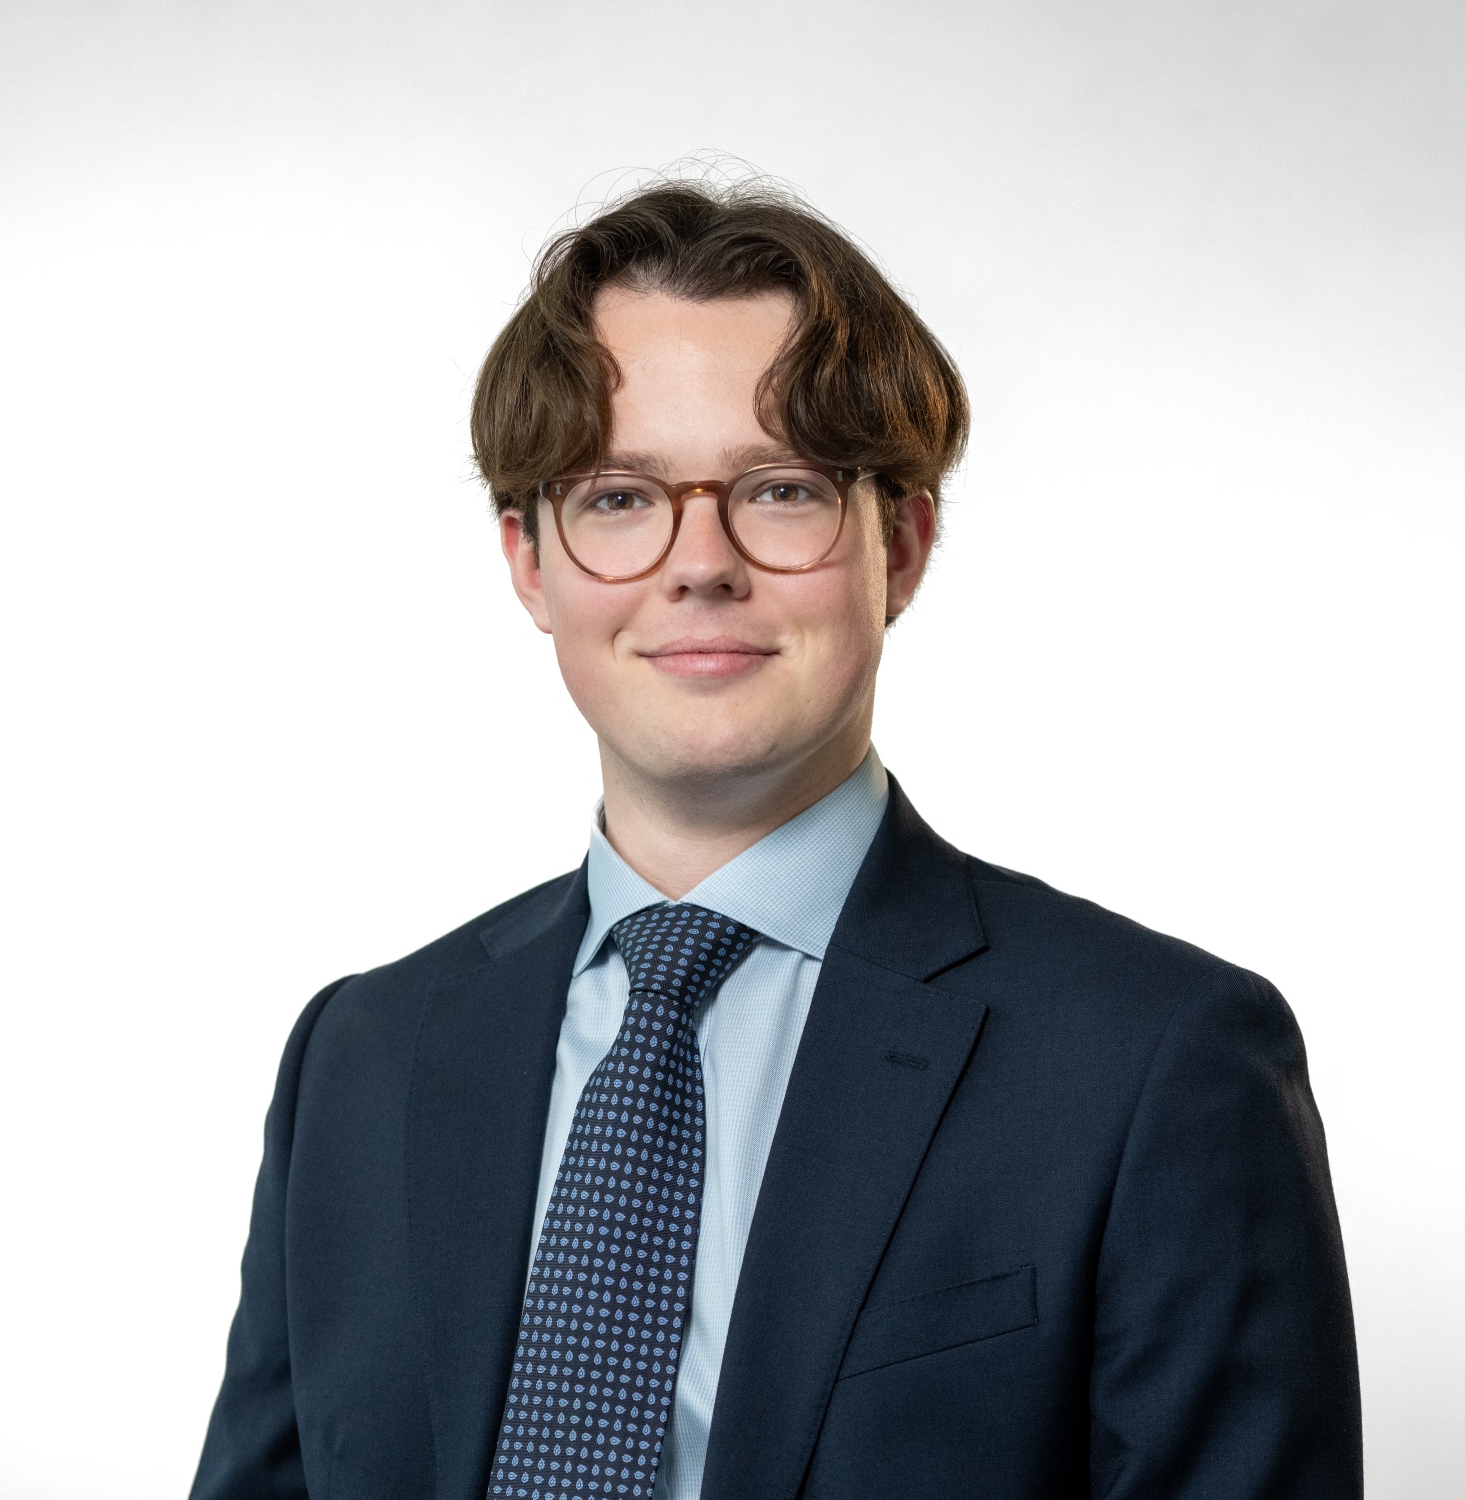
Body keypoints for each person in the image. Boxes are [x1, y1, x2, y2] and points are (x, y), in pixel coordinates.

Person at [190, 180, 1361, 1500]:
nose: (701, 562)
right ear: (528, 560)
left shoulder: (1157, 1063)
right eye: (619, 497)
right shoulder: (361, 1059)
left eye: (782, 489)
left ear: (901, 544)